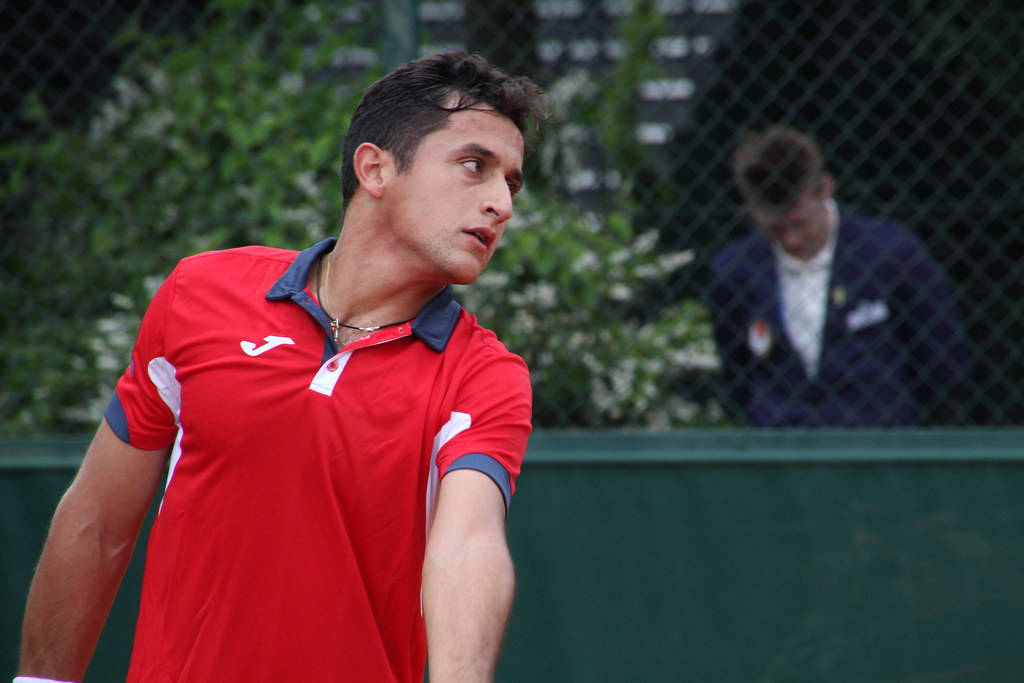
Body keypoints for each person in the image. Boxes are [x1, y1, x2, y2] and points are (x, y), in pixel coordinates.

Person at [16, 50, 547, 683]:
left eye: (510, 183)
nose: (501, 204)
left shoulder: (485, 376)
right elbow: (98, 521)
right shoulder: (199, 295)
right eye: (473, 166)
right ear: (375, 169)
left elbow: (467, 546)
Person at [707, 126, 969, 427]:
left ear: (826, 189)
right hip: (782, 452)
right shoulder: (734, 271)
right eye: (775, 229)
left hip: (877, 445)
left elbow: (943, 360)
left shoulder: (892, 252)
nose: (791, 240)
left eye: (800, 223)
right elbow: (735, 375)